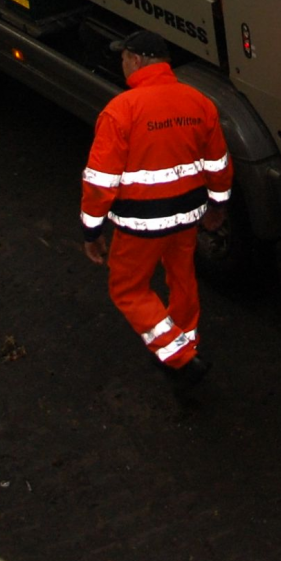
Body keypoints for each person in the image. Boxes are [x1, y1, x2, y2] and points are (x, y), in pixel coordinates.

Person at [80, 30, 232, 389]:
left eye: (123, 58)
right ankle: (187, 342)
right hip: (187, 217)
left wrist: (91, 232)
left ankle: (178, 355)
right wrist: (218, 206)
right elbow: (219, 166)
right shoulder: (199, 103)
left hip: (140, 223)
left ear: (136, 60)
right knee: (182, 278)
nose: (121, 63)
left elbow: (100, 183)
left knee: (128, 289)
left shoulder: (121, 111)